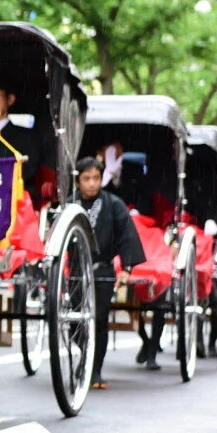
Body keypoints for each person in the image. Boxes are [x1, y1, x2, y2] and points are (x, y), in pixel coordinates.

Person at [76, 157, 145, 389]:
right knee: (73, 320)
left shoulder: (113, 204)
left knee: (98, 321)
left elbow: (127, 236)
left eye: (96, 178)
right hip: (76, 273)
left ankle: (95, 371)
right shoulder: (70, 204)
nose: (92, 184)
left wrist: (126, 268)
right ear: (77, 181)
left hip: (102, 269)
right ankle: (84, 354)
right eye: (86, 179)